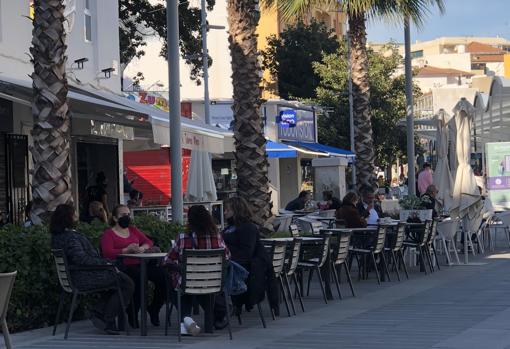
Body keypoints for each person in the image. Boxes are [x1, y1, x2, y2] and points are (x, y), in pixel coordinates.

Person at [50, 204, 134, 335]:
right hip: (84, 277)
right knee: (127, 283)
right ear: (69, 217)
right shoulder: (71, 238)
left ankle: (100, 311)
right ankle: (108, 318)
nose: (77, 216)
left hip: (77, 275)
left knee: (119, 279)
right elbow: (82, 260)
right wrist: (107, 263)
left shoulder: (57, 237)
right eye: (75, 214)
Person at [166, 205, 230, 335]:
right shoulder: (217, 237)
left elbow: (167, 260)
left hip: (188, 282)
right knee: (190, 282)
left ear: (190, 220)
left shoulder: (183, 238)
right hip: (212, 283)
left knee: (172, 280)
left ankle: (185, 319)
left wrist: (179, 267)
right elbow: (227, 257)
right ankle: (188, 322)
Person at [100, 205, 167, 329]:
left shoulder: (133, 230)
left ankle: (154, 308)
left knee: (163, 276)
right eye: (123, 215)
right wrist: (126, 250)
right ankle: (133, 312)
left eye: (128, 214)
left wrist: (142, 248)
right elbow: (107, 252)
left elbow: (148, 242)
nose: (127, 217)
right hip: (123, 266)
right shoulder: (108, 234)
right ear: (115, 218)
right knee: (139, 279)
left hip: (141, 263)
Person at [222, 197, 275, 317]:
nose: (225, 212)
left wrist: (228, 257)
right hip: (227, 262)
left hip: (241, 266)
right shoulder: (229, 228)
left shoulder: (248, 228)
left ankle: (223, 306)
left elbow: (246, 252)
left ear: (236, 210)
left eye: (227, 210)